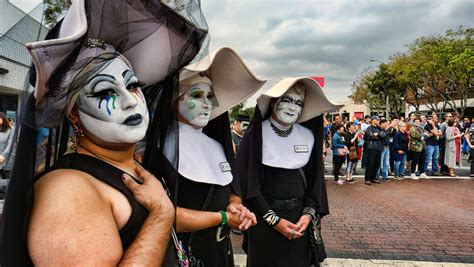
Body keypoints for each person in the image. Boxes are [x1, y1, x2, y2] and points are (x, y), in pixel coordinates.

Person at [0, 0, 208, 265]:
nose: (130, 101)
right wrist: (161, 214)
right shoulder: (66, 191)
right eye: (105, 91)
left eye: (132, 85)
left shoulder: (133, 166)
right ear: (74, 113)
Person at [162, 47, 263, 266]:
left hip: (220, 253)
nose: (207, 103)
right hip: (183, 255)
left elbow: (229, 190)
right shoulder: (162, 148)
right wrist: (224, 218)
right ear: (173, 100)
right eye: (197, 95)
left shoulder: (217, 145)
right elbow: (162, 217)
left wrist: (235, 205)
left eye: (210, 96)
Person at [237, 77, 340, 267]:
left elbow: (314, 182)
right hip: (264, 221)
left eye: (298, 102)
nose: (293, 107)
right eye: (287, 100)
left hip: (299, 220)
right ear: (274, 102)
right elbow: (248, 184)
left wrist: (308, 215)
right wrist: (274, 221)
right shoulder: (256, 135)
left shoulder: (308, 136)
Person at [364, 116, 386, 185]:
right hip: (371, 148)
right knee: (370, 164)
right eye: (377, 120)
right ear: (373, 120)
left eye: (378, 120)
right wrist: (379, 136)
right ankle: (367, 179)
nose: (378, 121)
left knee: (377, 164)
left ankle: (373, 178)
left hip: (379, 148)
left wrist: (378, 135)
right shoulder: (369, 128)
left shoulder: (379, 128)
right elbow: (371, 137)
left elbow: (383, 136)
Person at [0, 112, 14, 180]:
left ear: (3, 119)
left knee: (6, 181)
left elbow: (11, 144)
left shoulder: (11, 130)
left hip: (6, 160)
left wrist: (3, 155)